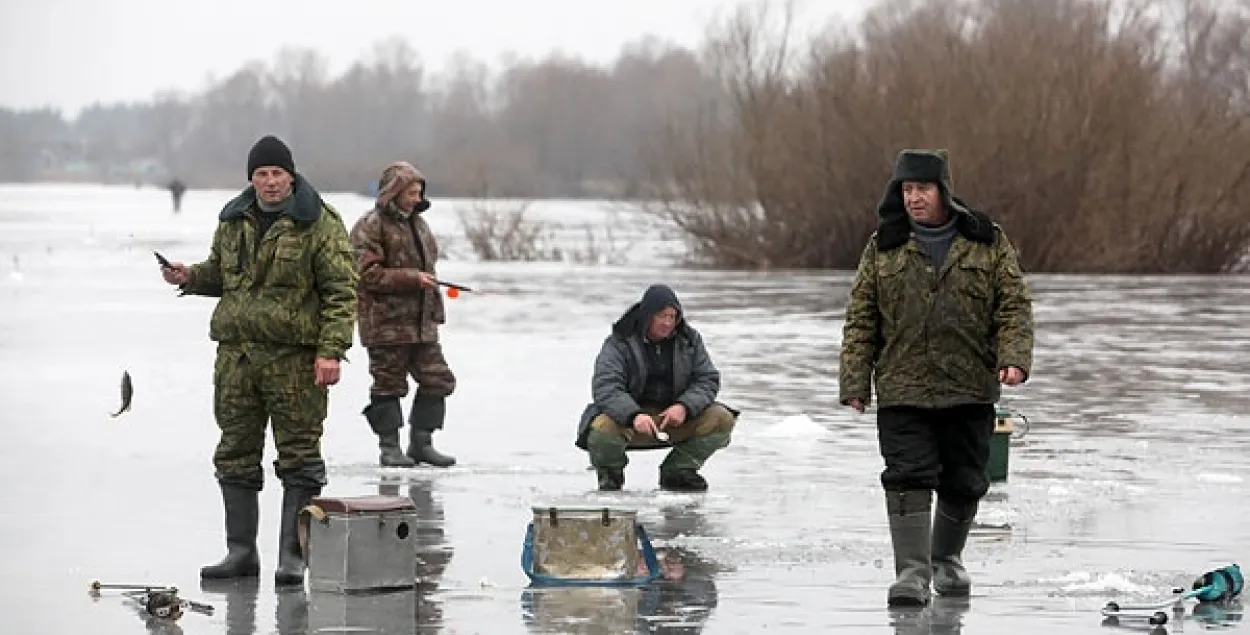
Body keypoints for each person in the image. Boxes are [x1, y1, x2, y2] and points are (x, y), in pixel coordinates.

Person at [160, 135, 359, 586]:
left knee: (300, 459)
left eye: (277, 173)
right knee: (234, 453)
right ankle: (240, 553)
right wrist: (190, 276)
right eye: (261, 174)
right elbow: (223, 274)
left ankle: (292, 556)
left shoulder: (320, 223)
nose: (270, 182)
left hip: (294, 361)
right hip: (236, 360)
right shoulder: (233, 219)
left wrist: (331, 351)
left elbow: (341, 293)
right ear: (251, 178)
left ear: (291, 175)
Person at [838, 148, 1034, 607]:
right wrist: (854, 381)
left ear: (943, 190)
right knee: (906, 474)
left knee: (966, 479)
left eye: (922, 189)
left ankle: (946, 558)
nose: (914, 198)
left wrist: (1015, 358)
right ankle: (911, 572)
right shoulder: (883, 245)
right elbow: (861, 316)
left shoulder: (986, 240)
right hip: (902, 386)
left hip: (969, 386)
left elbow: (1013, 305)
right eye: (906, 190)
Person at [575, 284, 738, 492]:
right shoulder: (619, 342)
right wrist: (634, 415)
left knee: (722, 418)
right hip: (630, 422)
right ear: (648, 316)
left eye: (672, 317)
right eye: (662, 316)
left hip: (672, 418)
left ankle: (678, 472)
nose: (668, 323)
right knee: (601, 427)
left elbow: (707, 379)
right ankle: (610, 477)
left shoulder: (690, 340)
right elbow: (606, 387)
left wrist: (684, 406)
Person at [350, 161, 456, 468]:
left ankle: (421, 443)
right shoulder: (370, 225)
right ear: (394, 192)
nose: (415, 197)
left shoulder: (419, 224)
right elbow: (364, 274)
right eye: (410, 192)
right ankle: (389, 448)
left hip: (422, 323)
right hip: (385, 324)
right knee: (388, 385)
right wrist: (411, 278)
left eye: (419, 192)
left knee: (439, 380)